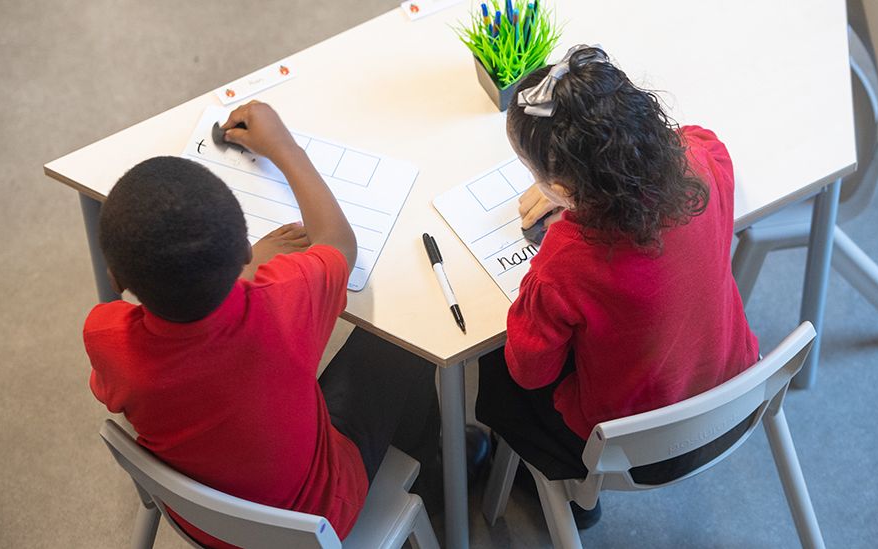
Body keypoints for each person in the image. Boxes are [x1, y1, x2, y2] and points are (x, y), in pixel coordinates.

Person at [85, 101, 439, 547]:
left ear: (116, 278)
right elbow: (338, 244)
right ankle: (439, 465)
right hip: (321, 513)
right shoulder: (279, 303)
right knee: (407, 339)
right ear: (247, 252)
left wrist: (244, 276)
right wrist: (283, 146)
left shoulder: (104, 335)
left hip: (199, 519)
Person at [476, 46, 760, 528]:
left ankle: (571, 501)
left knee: (492, 370)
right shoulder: (699, 164)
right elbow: (702, 139)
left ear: (561, 189)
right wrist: (610, 174)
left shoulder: (567, 257)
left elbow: (530, 370)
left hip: (635, 449)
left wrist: (571, 212)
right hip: (737, 397)